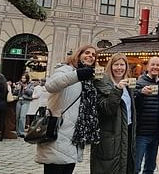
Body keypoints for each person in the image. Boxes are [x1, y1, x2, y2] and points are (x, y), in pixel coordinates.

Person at [36, 44, 100, 174]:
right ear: (78, 54)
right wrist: (77, 75)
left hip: (75, 134)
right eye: (87, 53)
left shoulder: (89, 79)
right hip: (59, 130)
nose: (90, 56)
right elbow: (51, 85)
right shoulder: (65, 69)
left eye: (93, 55)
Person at [91, 53, 136, 174]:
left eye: (122, 64)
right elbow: (107, 109)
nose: (119, 68)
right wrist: (117, 90)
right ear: (110, 66)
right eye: (116, 64)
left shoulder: (128, 86)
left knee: (125, 165)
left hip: (127, 130)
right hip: (110, 135)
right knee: (110, 168)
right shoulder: (101, 84)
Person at [134, 56, 159, 174]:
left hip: (157, 133)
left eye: (158, 65)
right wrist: (141, 93)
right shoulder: (139, 83)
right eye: (153, 65)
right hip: (141, 133)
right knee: (136, 167)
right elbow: (134, 106)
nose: (155, 67)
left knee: (150, 168)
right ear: (147, 67)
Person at [0, 73, 13, 141]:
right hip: (3, 104)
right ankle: (0, 135)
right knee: (2, 120)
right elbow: (10, 99)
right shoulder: (7, 86)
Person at [14, 72, 34, 137]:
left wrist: (25, 88)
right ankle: (17, 132)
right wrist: (16, 89)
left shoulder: (30, 84)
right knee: (17, 116)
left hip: (26, 101)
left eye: (24, 78)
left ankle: (21, 132)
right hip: (19, 100)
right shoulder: (19, 84)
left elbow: (30, 92)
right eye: (22, 78)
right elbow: (15, 92)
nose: (23, 79)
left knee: (22, 116)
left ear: (27, 78)